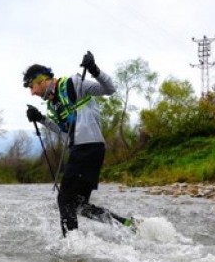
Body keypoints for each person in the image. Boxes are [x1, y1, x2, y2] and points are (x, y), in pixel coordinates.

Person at [23, 51, 135, 237]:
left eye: (31, 86)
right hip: (84, 149)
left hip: (88, 147)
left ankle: (72, 246)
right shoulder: (52, 105)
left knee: (64, 200)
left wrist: (93, 69)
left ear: (41, 80)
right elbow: (64, 132)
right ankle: (127, 224)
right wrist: (41, 118)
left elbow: (109, 89)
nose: (32, 92)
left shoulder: (73, 84)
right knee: (78, 205)